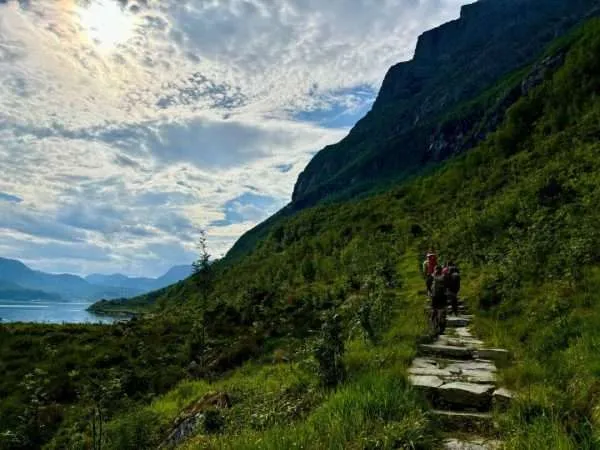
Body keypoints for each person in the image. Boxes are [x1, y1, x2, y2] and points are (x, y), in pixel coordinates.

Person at [430, 265, 448, 336]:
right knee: (442, 313)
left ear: (435, 270)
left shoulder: (432, 277)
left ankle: (434, 328)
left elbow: (428, 286)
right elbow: (447, 286)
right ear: (441, 270)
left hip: (434, 297)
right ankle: (441, 328)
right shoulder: (444, 277)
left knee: (434, 312)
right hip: (442, 297)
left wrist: (430, 293)